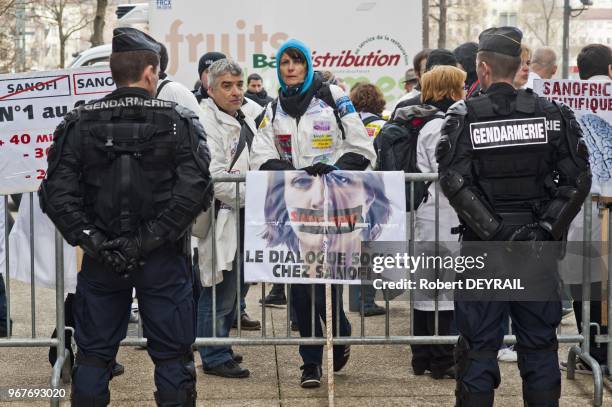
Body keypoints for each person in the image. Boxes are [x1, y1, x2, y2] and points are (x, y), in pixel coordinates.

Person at [39, 27, 212, 406]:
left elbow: (55, 193)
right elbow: (195, 190)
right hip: (160, 258)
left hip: (105, 258)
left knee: (94, 359)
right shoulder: (177, 121)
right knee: (172, 359)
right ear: (151, 72)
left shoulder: (79, 122)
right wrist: (145, 240)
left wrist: (97, 241)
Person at [436, 26, 591, 406]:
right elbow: (577, 180)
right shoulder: (553, 114)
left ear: (483, 69)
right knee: (539, 349)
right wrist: (542, 230)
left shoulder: (465, 116)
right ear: (519, 66)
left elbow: (453, 180)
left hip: (484, 249)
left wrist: (496, 231)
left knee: (478, 349)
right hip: (535, 252)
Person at [250, 38, 376, 388]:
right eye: (285, 63)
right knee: (302, 289)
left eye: (297, 62)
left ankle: (341, 331)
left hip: (334, 202)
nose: (290, 68)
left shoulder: (334, 98)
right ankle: (310, 362)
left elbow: (362, 147)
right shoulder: (273, 108)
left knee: (326, 285)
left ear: (307, 65)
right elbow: (260, 155)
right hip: (293, 205)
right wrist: (291, 171)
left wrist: (332, 167)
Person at [196, 58, 259, 379]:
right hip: (224, 215)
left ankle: (220, 342)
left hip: (246, 214)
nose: (236, 92)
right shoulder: (205, 121)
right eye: (227, 86)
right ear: (211, 88)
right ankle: (213, 353)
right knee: (217, 287)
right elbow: (218, 179)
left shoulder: (248, 114)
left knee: (237, 287)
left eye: (239, 84)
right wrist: (260, 195)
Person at [411, 65, 465, 380]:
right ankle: (441, 358)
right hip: (442, 212)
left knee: (428, 287)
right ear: (451, 88)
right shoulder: (443, 125)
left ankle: (422, 356)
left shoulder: (428, 122)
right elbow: (447, 172)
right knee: (441, 289)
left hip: (432, 212)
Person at [561, 43, 611, 373]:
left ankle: (591, 345)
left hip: (579, 201)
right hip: (603, 201)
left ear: (578, 70)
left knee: (583, 277)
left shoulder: (567, 101)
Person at [194, 52, 263, 120]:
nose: (213, 75)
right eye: (208, 71)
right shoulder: (191, 104)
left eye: (239, 85)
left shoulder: (252, 108)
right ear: (200, 76)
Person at [393, 49, 458, 115]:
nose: (435, 75)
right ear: (417, 73)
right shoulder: (404, 106)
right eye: (427, 70)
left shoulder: (459, 103)